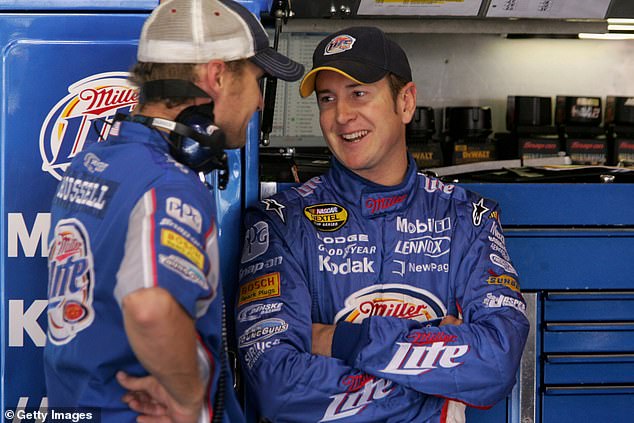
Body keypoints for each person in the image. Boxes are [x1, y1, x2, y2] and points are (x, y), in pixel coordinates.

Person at [235, 26, 529, 422]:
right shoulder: (281, 225)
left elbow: (496, 363)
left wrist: (338, 339)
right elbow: (276, 386)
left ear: (405, 102)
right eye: (327, 99)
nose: (341, 116)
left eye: (359, 93)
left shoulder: (468, 220)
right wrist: (432, 391)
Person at [43, 0, 303, 422]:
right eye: (258, 81)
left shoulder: (95, 162)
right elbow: (151, 308)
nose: (258, 103)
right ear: (217, 76)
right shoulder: (168, 184)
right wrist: (188, 401)